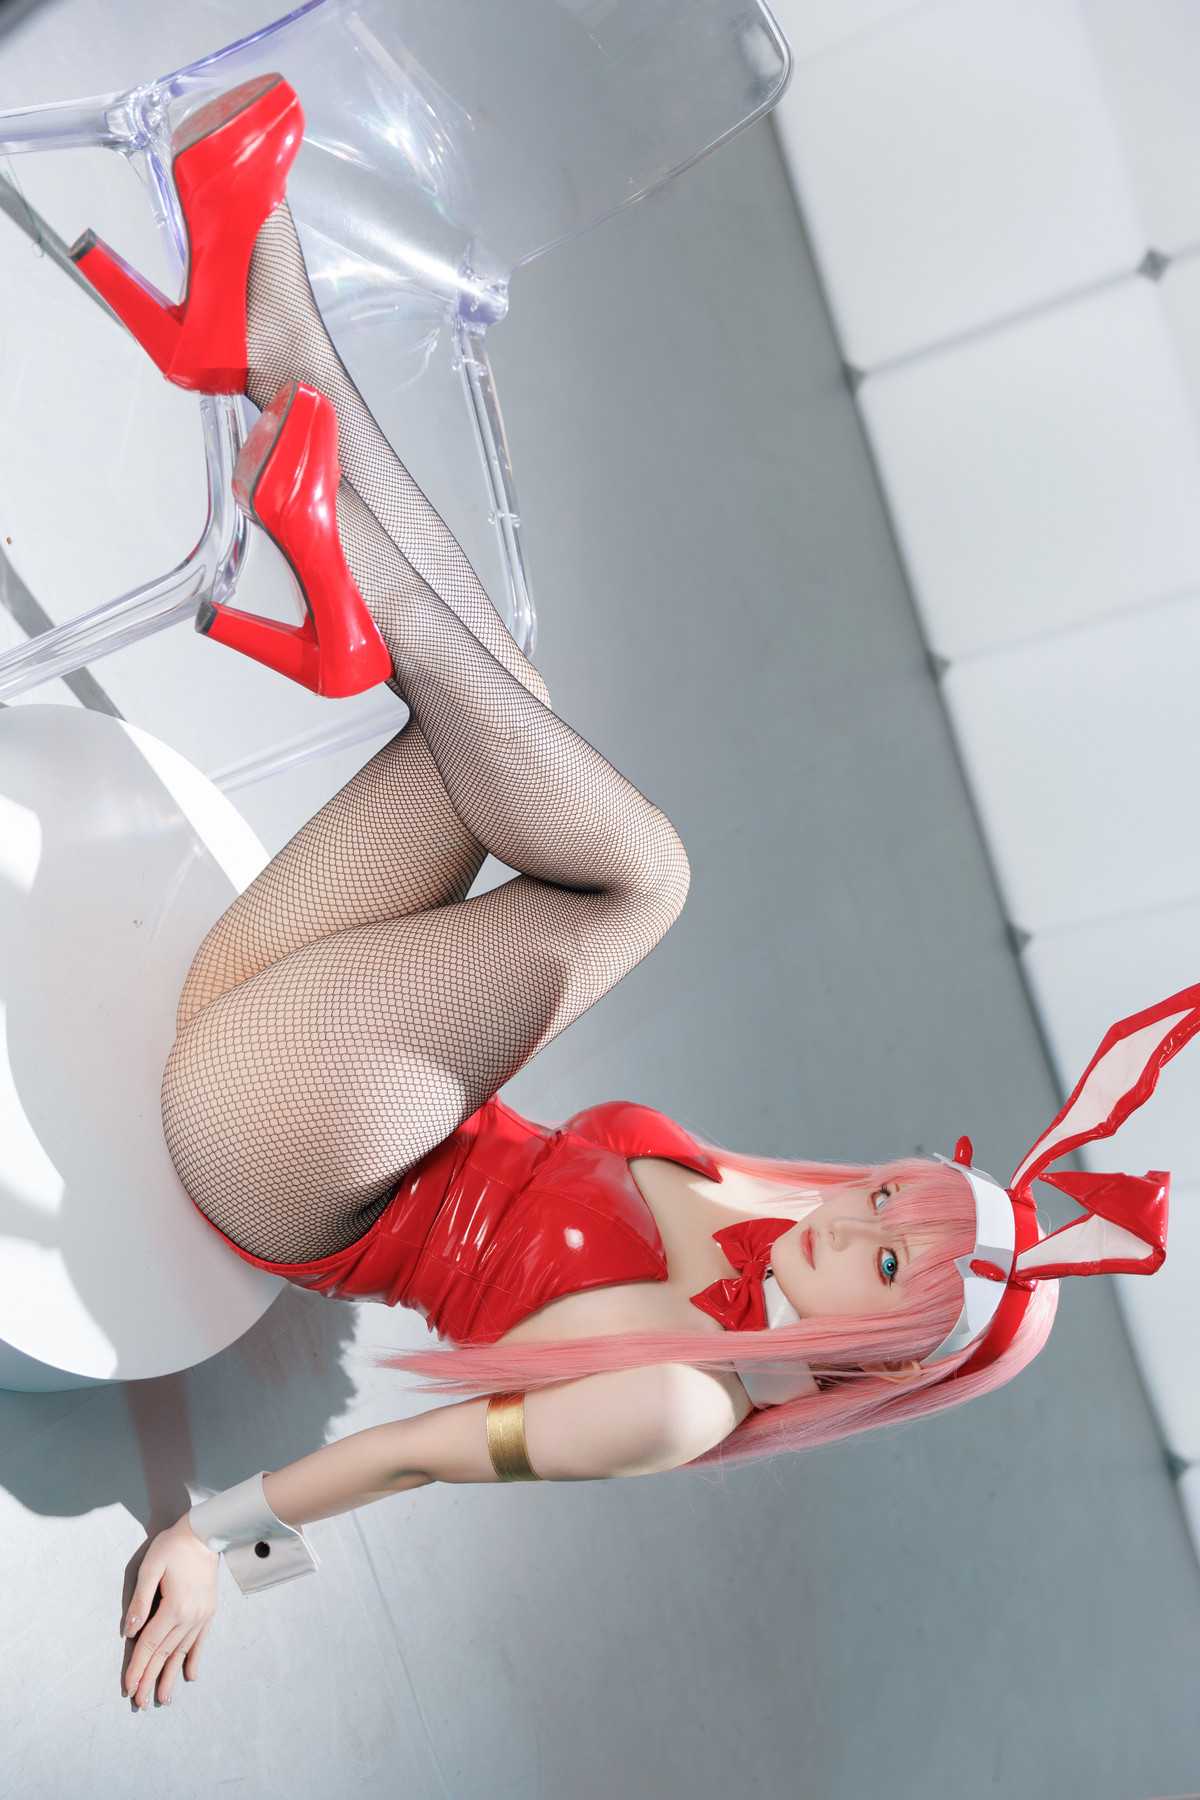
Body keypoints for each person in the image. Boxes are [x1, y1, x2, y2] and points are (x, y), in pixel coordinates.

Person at [72, 74, 1195, 1712]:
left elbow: (422, 1454)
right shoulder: (779, 1219)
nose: (866, 1218)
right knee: (505, 717)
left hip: (270, 1157)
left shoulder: (680, 1405)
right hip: (305, 1043)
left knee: (636, 870)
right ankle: (260, 345)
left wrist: (214, 1540)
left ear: (881, 1352)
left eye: (892, 1264)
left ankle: (304, 482)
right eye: (905, 1197)